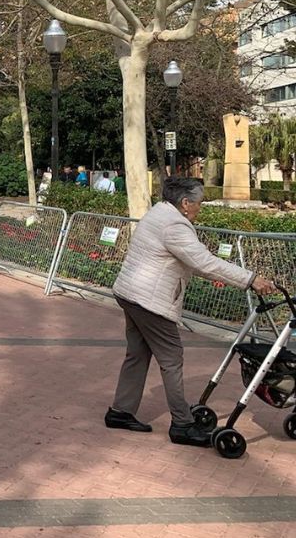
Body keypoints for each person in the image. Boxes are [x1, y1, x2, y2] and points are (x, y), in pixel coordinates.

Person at [106, 177, 277, 447]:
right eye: (199, 203)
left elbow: (195, 261)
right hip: (150, 301)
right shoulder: (174, 225)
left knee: (137, 354)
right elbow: (203, 262)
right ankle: (182, 425)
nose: (201, 208)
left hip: (131, 294)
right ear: (185, 203)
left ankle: (120, 411)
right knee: (171, 358)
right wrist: (250, 279)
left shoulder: (160, 212)